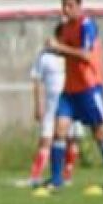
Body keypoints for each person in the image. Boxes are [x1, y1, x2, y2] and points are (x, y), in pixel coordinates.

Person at [45, 0, 103, 192]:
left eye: (70, 5)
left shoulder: (87, 25)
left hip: (89, 87)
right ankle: (56, 180)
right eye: (64, 6)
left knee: (100, 133)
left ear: (79, 6)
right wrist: (54, 49)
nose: (66, 10)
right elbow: (67, 52)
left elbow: (85, 55)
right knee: (59, 131)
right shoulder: (66, 27)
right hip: (70, 90)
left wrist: (59, 47)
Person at [25, 45, 80, 187]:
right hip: (51, 106)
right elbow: (36, 80)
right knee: (46, 140)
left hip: (70, 102)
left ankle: (66, 175)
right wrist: (38, 105)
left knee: (72, 139)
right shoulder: (44, 57)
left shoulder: (73, 55)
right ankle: (35, 176)